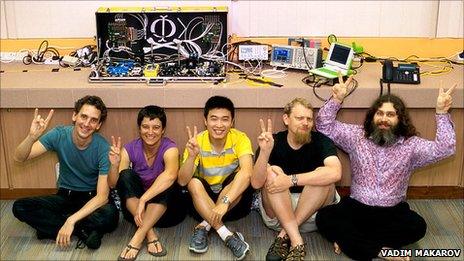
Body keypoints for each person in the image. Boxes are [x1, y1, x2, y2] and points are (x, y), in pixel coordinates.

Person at [315, 75, 457, 261]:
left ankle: (352, 242)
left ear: (400, 119)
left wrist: (441, 113)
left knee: (418, 226)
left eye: (390, 115)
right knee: (324, 218)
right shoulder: (356, 136)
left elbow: (445, 149)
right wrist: (337, 98)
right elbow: (323, 126)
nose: (384, 119)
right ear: (372, 116)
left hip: (392, 212)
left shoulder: (411, 145)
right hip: (357, 208)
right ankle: (383, 251)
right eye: (379, 113)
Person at [12, 95, 119, 250]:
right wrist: (31, 137)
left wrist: (70, 220)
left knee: (110, 215)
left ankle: (56, 228)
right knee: (19, 207)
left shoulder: (102, 147)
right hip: (64, 196)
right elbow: (19, 157)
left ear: (98, 125)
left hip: (90, 198)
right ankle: (83, 231)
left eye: (93, 120)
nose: (87, 124)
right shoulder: (59, 134)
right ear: (74, 116)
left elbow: (102, 197)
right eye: (83, 116)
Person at [251, 97, 342, 261]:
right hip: (278, 213)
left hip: (314, 215)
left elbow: (336, 173)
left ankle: (285, 235)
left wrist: (292, 180)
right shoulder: (272, 141)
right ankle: (296, 240)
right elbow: (256, 183)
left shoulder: (322, 141)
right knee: (273, 172)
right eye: (299, 118)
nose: (305, 123)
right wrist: (264, 152)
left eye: (309, 119)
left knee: (322, 175)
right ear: (286, 119)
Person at [178, 95, 254, 260]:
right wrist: (191, 157)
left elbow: (247, 173)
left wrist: (225, 203)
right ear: (205, 121)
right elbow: (182, 181)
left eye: (225, 119)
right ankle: (225, 233)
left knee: (240, 176)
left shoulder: (240, 138)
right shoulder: (197, 141)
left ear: (232, 122)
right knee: (192, 182)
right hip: (202, 201)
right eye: (214, 119)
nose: (219, 125)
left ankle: (204, 226)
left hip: (232, 202)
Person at [108, 105, 186, 261]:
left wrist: (144, 199)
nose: (150, 132)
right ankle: (148, 233)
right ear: (139, 128)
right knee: (126, 174)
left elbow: (171, 176)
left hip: (167, 213)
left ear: (163, 130)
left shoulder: (170, 148)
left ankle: (137, 237)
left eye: (156, 127)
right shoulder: (129, 149)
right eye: (145, 127)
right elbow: (114, 184)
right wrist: (114, 166)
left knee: (168, 181)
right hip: (136, 213)